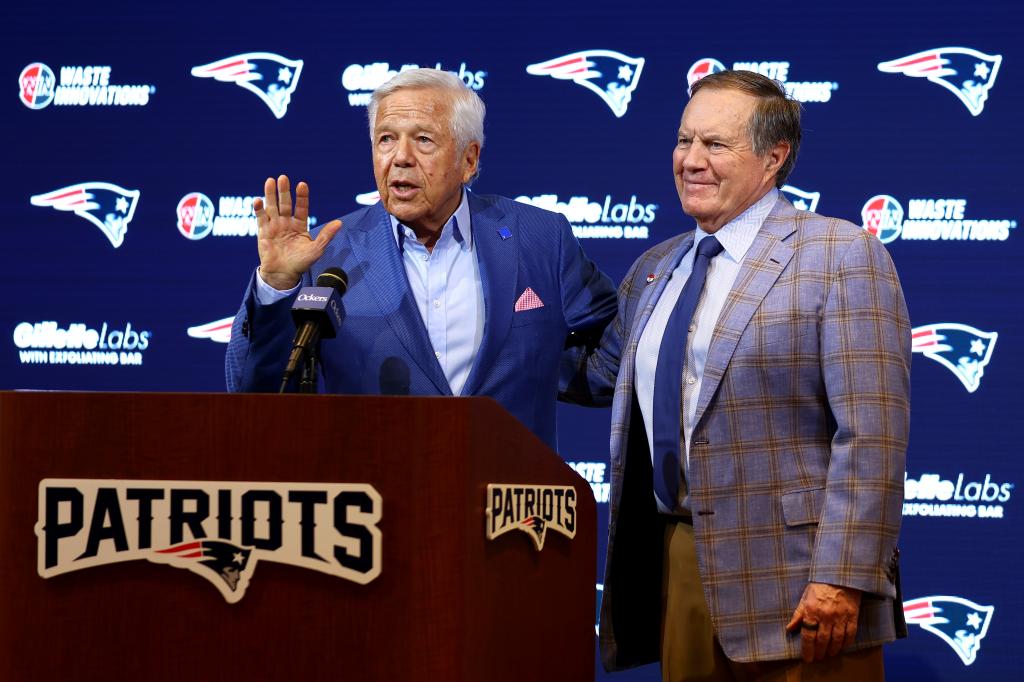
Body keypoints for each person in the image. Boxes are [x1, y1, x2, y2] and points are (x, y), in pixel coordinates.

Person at [563, 70, 910, 680]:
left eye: (715, 145)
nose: (691, 160)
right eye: (683, 141)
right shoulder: (654, 268)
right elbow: (598, 377)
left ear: (775, 157)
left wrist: (842, 576)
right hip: (679, 564)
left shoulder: (841, 254)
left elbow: (872, 434)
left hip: (802, 584)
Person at [225, 68, 616, 451]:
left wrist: (542, 368)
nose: (400, 158)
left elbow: (619, 358)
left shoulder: (541, 238)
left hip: (508, 504)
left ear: (469, 160)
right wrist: (276, 286)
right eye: (386, 140)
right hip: (379, 501)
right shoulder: (327, 253)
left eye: (424, 140)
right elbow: (257, 395)